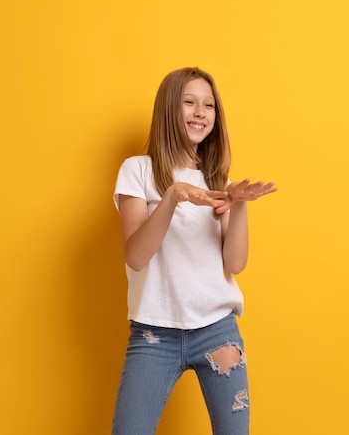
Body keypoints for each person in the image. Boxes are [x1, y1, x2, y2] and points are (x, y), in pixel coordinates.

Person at [111, 67, 276, 435]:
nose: (200, 112)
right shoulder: (138, 171)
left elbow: (235, 263)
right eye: (189, 102)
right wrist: (171, 196)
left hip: (217, 331)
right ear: (170, 109)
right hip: (153, 333)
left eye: (209, 105)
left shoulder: (218, 182)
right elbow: (136, 256)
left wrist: (239, 204)